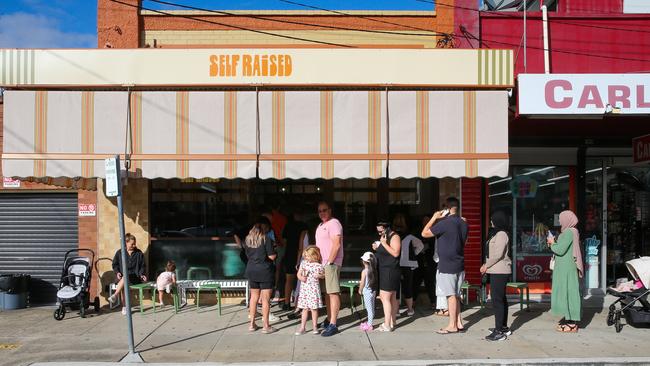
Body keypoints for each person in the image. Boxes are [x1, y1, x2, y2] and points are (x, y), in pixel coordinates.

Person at [422, 197, 468, 334]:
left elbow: (424, 233)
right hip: (459, 263)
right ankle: (458, 322)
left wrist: (434, 217)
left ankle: (452, 325)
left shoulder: (444, 223)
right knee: (457, 295)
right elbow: (464, 242)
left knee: (451, 295)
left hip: (447, 264)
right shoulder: (464, 223)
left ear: (447, 208)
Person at [547, 210, 584, 333]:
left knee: (568, 292)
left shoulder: (568, 232)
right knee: (569, 292)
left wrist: (552, 243)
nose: (560, 221)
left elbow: (560, 250)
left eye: (561, 219)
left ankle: (572, 323)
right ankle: (570, 319)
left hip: (566, 268)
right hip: (566, 267)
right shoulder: (573, 231)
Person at [480, 211, 512, 341]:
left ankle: (499, 332)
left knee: (497, 300)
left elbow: (498, 254)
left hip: (500, 271)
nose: (491, 222)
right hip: (496, 270)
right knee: (500, 299)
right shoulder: (498, 233)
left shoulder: (501, 234)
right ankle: (503, 327)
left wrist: (486, 265)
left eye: (493, 219)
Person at [244, 217, 278, 334]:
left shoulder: (248, 240)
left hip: (251, 270)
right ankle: (266, 326)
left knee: (253, 298)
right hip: (264, 271)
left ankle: (252, 324)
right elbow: (272, 256)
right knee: (265, 300)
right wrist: (275, 251)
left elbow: (248, 255)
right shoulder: (266, 239)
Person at [373, 221, 402, 332]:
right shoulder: (385, 237)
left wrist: (383, 244)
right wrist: (378, 247)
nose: (380, 233)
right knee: (392, 297)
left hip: (390, 270)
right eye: (378, 231)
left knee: (385, 297)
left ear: (386, 228)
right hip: (386, 269)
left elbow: (395, 253)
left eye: (381, 231)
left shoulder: (394, 237)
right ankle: (392, 322)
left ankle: (387, 324)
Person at [108, 233, 147, 315]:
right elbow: (115, 264)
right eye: (132, 244)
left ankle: (116, 297)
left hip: (135, 278)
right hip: (122, 278)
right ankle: (124, 307)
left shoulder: (139, 253)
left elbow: (143, 266)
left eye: (134, 243)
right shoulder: (120, 252)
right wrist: (117, 272)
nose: (134, 245)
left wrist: (142, 274)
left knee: (124, 281)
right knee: (124, 281)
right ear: (126, 243)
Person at [393, 214, 424, 317]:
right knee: (408, 287)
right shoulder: (410, 236)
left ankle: (396, 311)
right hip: (408, 264)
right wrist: (413, 253)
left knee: (396, 288)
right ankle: (410, 309)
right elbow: (420, 245)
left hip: (395, 264)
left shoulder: (392, 235)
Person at [281, 207, 309, 311]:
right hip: (302, 256)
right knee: (302, 281)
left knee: (289, 280)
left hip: (290, 254)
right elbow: (304, 244)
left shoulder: (288, 226)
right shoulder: (305, 226)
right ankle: (300, 304)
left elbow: (284, 241)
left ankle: (287, 303)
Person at [295, 246, 325, 335]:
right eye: (305, 256)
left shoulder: (319, 265)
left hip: (313, 290)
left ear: (314, 256)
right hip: (304, 289)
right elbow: (298, 274)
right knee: (304, 309)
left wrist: (319, 276)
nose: (306, 257)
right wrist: (301, 277)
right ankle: (302, 327)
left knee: (314, 309)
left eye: (307, 256)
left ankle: (315, 327)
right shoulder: (304, 263)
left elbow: (323, 275)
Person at [413, 215, 437, 311]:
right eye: (424, 220)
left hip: (430, 262)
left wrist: (426, 247)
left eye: (428, 220)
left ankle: (433, 302)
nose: (426, 222)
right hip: (418, 262)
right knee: (415, 283)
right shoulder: (418, 232)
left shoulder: (434, 232)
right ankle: (412, 302)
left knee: (430, 283)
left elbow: (433, 246)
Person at [359, 251, 378, 332]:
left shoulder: (364, 271)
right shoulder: (374, 270)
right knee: (372, 308)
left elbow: (362, 282)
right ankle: (369, 322)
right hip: (373, 291)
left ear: (364, 261)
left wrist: (360, 289)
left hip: (367, 292)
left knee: (369, 309)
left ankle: (369, 325)